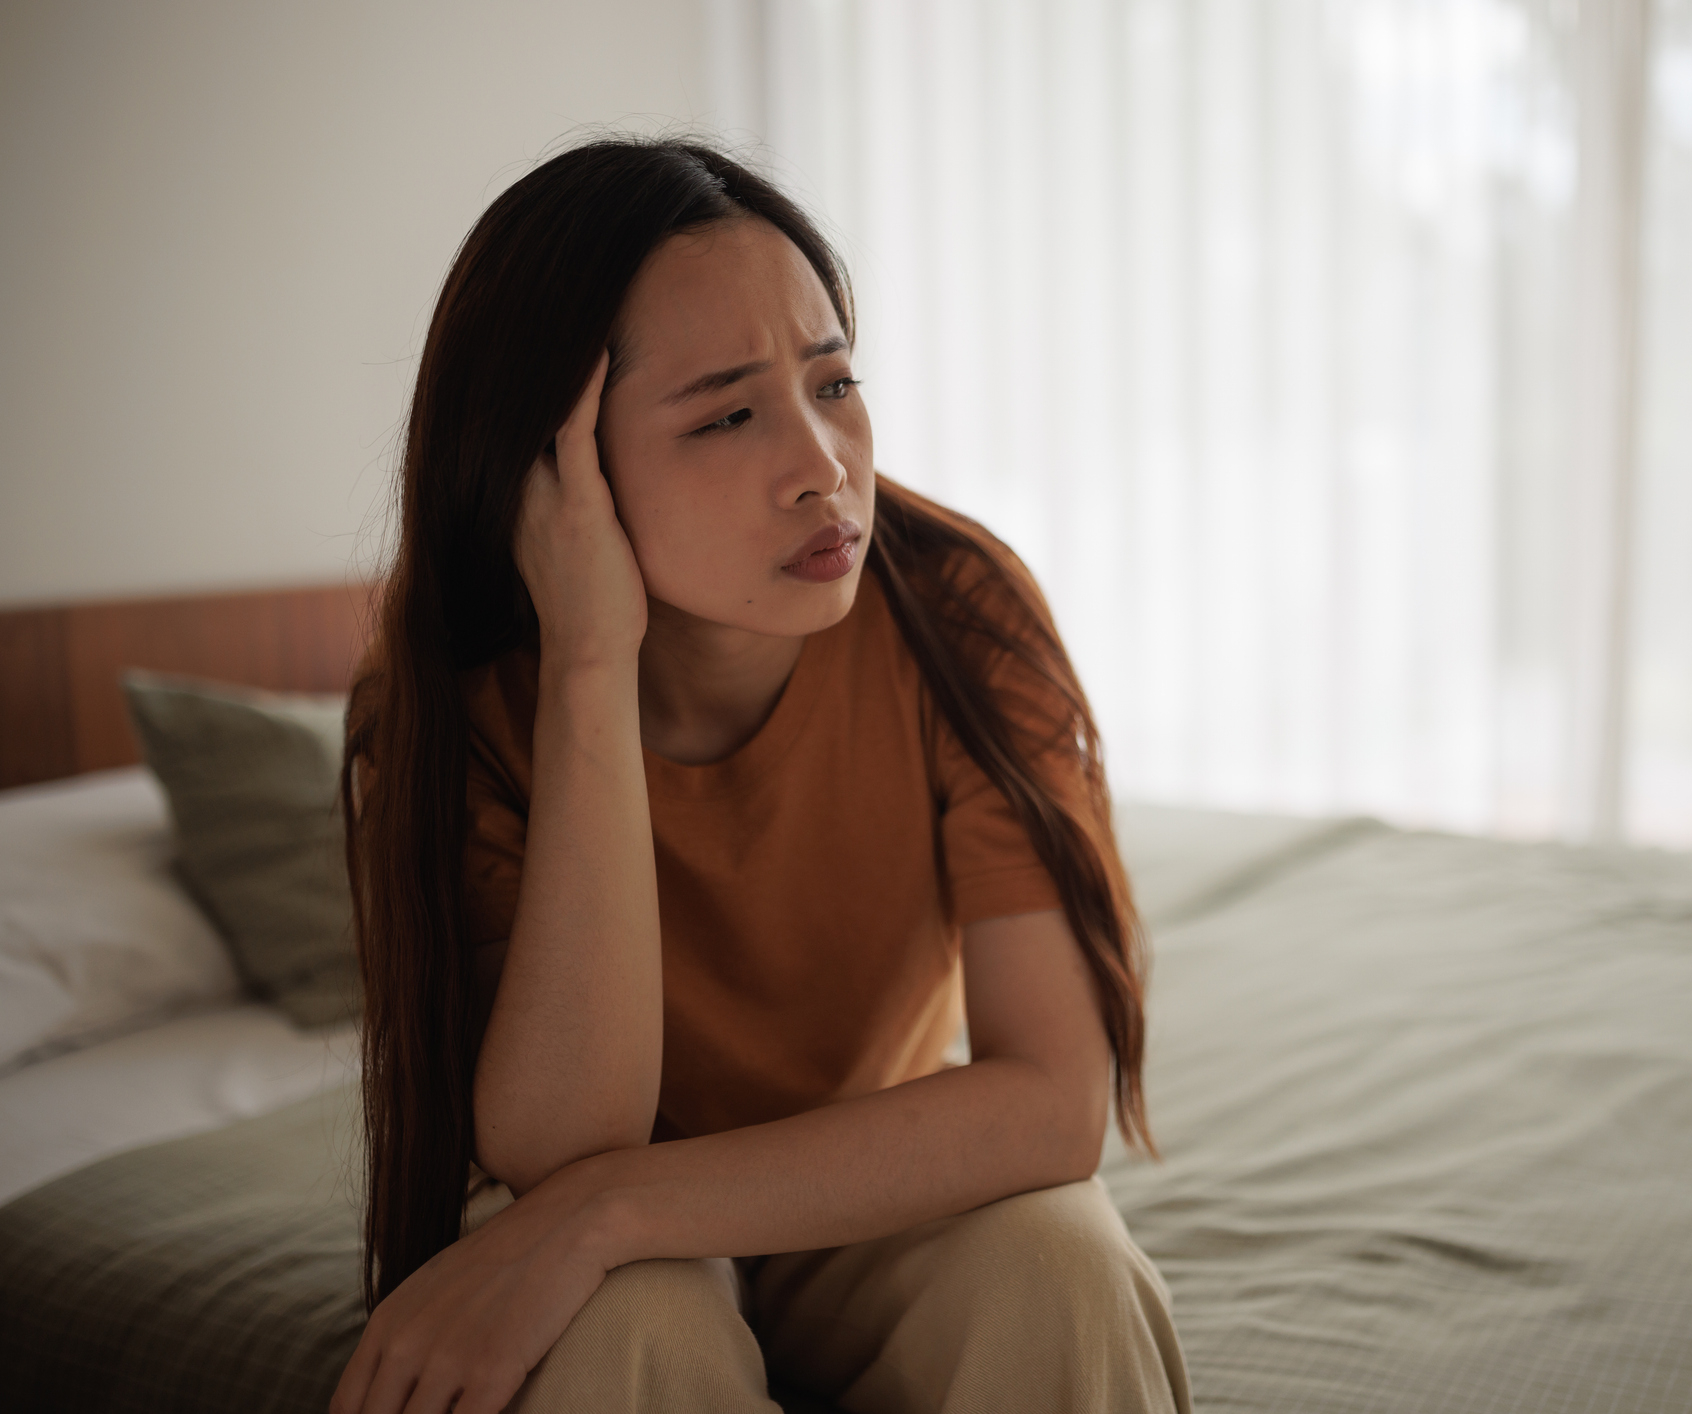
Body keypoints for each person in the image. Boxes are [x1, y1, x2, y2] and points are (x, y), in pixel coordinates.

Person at [327, 137, 1189, 1414]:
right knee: (629, 1327)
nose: (823, 464)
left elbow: (1052, 1104)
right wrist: (587, 668)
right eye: (729, 412)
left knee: (1060, 1263)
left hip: (860, 1180)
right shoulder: (452, 713)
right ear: (553, 473)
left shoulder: (959, 613)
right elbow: (564, 1146)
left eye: (832, 382)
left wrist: (601, 1216)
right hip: (630, 1239)